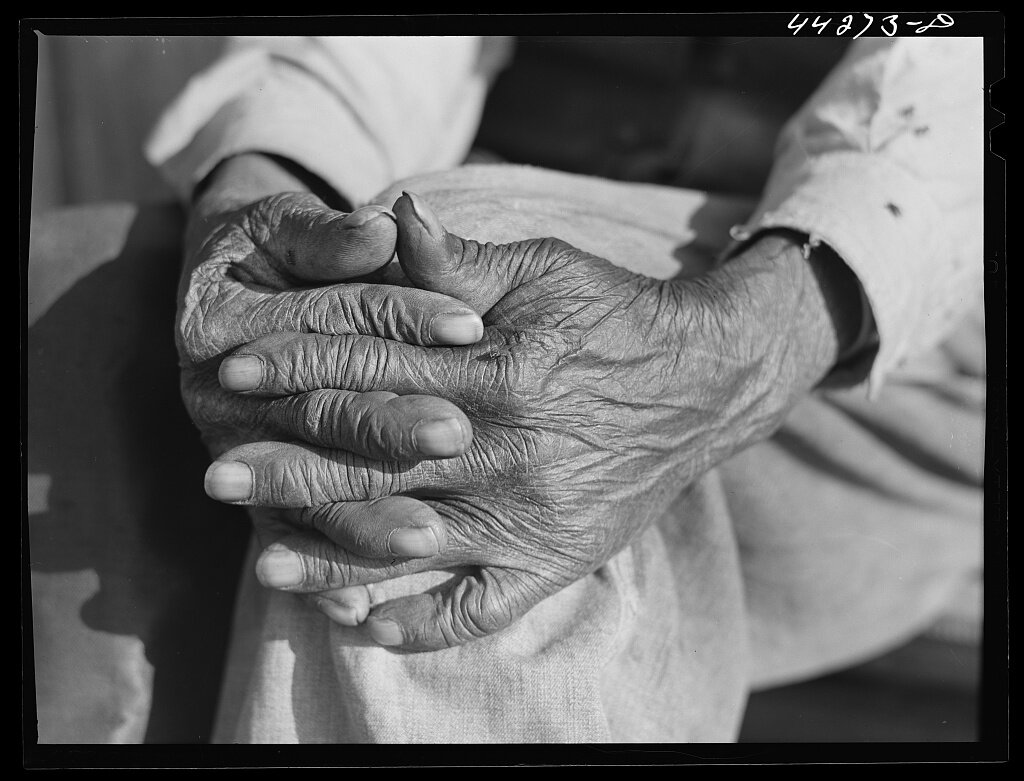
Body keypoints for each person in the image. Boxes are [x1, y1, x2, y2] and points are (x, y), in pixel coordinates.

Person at [143, 35, 985, 742]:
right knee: (428, 328)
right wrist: (261, 182)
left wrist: (767, 327)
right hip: (529, 200)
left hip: (910, 335)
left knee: (480, 345)